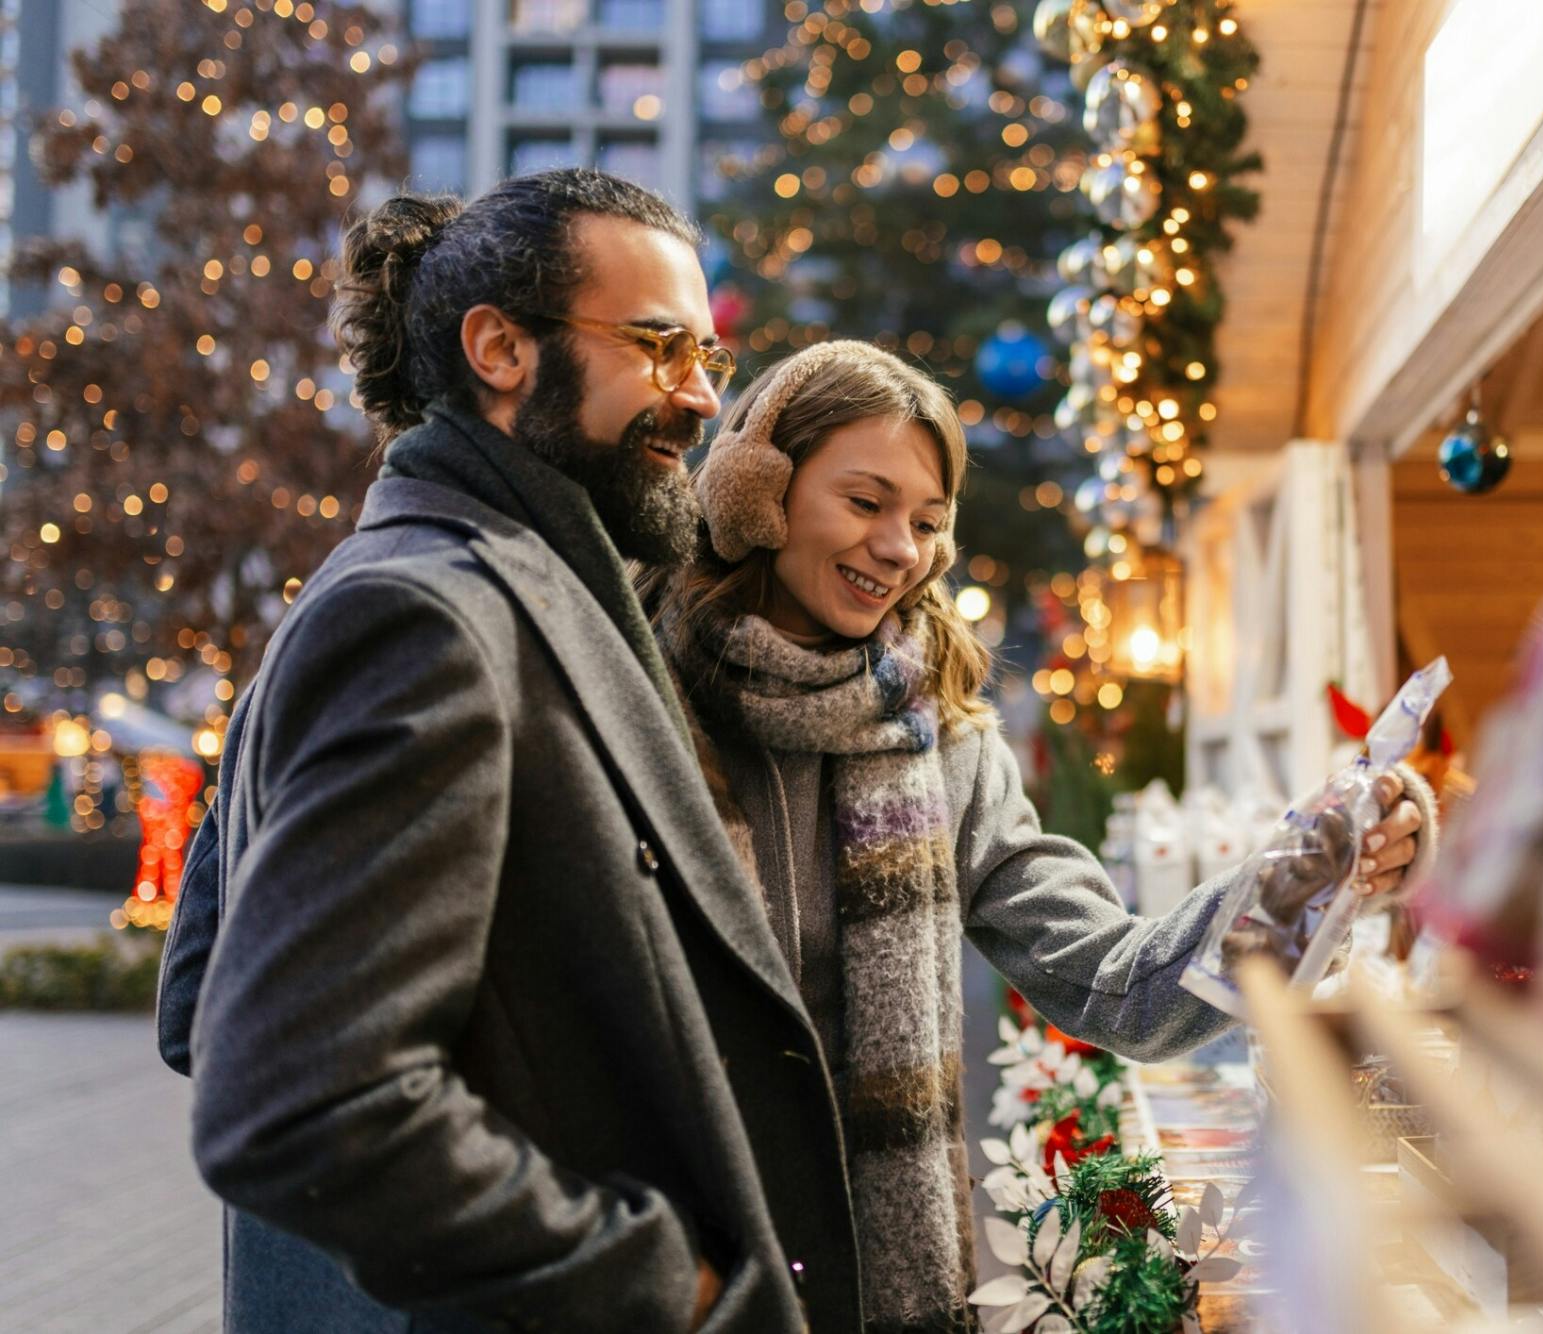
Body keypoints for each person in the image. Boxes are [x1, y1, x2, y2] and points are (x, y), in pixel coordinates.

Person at [156, 169, 865, 1331]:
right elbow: (288, 1094)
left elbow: (198, 994)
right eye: (658, 346)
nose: (698, 399)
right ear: (500, 348)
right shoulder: (427, 617)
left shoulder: (435, 586)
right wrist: (661, 1287)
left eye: (707, 359)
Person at [653, 340, 1437, 1331]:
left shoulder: (948, 750)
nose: (899, 545)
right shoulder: (636, 702)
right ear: (753, 494)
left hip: (875, 1287)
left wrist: (1316, 867)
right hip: (676, 1272)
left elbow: (1122, 987)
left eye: (925, 520)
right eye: (864, 501)